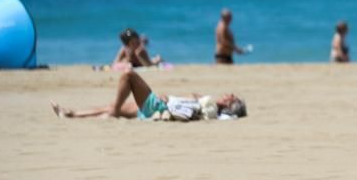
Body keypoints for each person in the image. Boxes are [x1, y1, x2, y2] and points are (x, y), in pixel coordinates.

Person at [50, 70, 245, 119]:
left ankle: (110, 114)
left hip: (159, 107)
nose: (227, 94)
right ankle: (72, 114)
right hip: (158, 107)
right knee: (114, 108)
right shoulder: (210, 105)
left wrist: (168, 101)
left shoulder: (211, 108)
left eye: (231, 97)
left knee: (129, 76)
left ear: (229, 106)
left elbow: (188, 110)